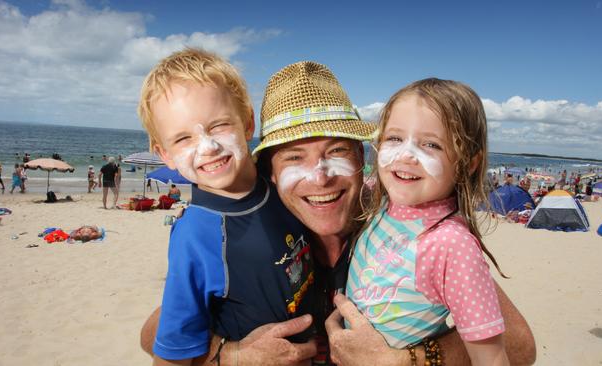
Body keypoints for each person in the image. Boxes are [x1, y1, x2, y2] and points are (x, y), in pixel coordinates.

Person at [140, 61, 536, 365]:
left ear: (363, 157)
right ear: (271, 173)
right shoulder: (258, 224)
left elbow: (519, 345)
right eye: (295, 157)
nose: (321, 177)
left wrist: (403, 360)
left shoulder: (399, 221)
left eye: (336, 152)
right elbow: (155, 332)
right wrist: (230, 355)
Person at [138, 48, 315, 365]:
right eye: (182, 139)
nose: (208, 147)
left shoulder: (280, 181)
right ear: (163, 153)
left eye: (219, 125)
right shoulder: (195, 234)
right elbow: (172, 351)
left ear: (247, 123)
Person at [346, 78, 508, 365]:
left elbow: (491, 359)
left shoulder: (452, 245)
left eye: (431, 144)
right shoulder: (383, 205)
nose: (406, 155)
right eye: (394, 138)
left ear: (468, 163)